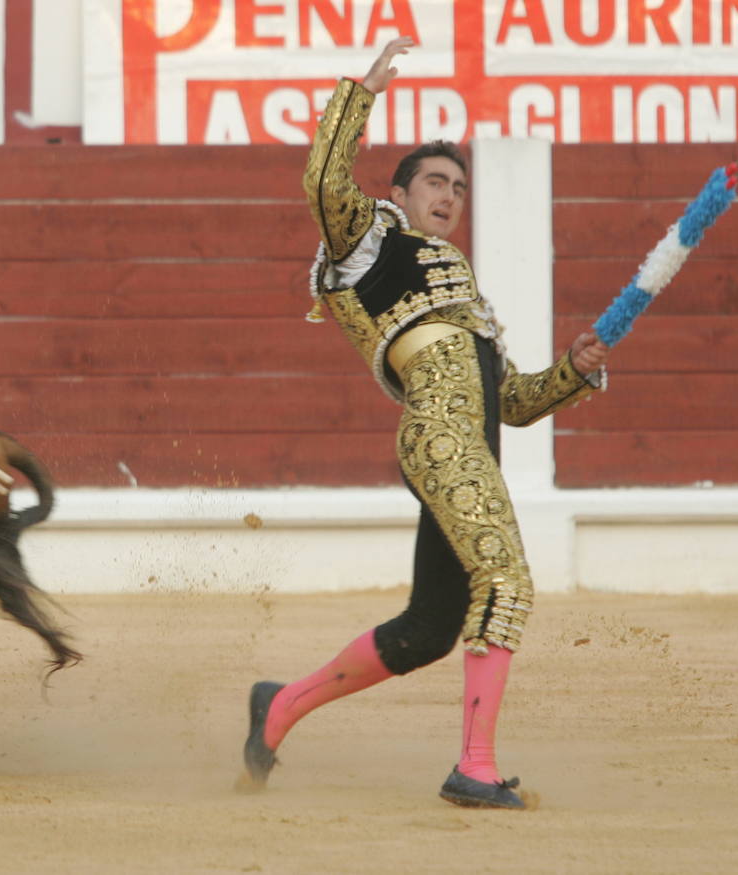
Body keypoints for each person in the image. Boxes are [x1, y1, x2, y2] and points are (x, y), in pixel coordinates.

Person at [237, 37, 611, 809]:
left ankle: (279, 706)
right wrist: (362, 92)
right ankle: (474, 765)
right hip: (438, 433)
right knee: (506, 581)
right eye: (433, 182)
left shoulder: (466, 300)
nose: (447, 196)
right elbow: (322, 178)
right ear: (400, 195)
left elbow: (509, 399)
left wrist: (572, 369)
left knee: (428, 629)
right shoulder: (368, 242)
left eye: (457, 188)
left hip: (468, 438)